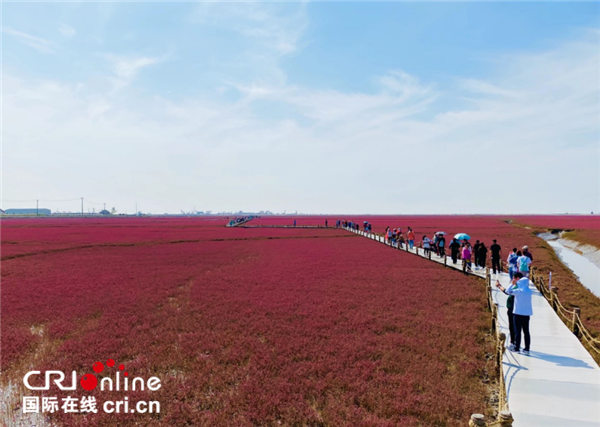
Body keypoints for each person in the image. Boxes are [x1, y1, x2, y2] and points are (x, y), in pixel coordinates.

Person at [496, 272, 532, 354]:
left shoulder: (518, 291)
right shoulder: (529, 291)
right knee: (526, 331)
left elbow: (508, 291)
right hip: (527, 314)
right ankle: (527, 348)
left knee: (517, 331)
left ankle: (517, 347)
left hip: (518, 313)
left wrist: (512, 284)